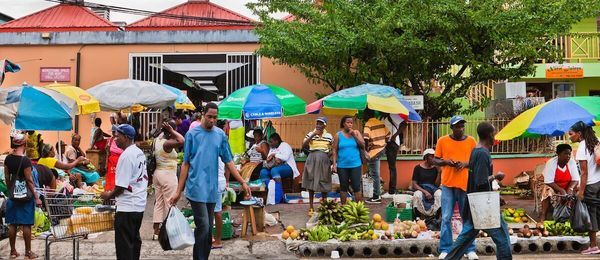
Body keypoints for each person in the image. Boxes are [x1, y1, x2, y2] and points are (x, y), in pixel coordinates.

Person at [169, 103, 251, 260]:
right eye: (209, 117)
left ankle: (202, 256)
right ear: (203, 115)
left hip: (212, 190)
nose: (212, 120)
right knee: (204, 225)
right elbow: (185, 164)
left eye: (215, 117)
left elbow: (228, 161)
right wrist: (178, 191)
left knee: (207, 229)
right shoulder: (192, 135)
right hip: (195, 188)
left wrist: (242, 181)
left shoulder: (220, 135)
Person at [444, 122, 511, 260]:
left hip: (476, 203)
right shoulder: (482, 153)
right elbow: (480, 182)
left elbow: (477, 179)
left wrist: (496, 197)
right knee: (503, 239)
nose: (495, 137)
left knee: (465, 239)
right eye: (494, 133)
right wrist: (496, 176)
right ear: (490, 135)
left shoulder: (476, 150)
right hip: (483, 206)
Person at [101, 124, 148, 260]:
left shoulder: (126, 156)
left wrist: (107, 196)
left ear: (126, 137)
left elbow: (121, 186)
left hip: (127, 206)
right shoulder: (138, 152)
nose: (115, 139)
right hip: (138, 205)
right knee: (133, 242)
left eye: (118, 135)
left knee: (124, 247)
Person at [434, 116, 478, 260]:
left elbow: (476, 160)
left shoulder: (471, 141)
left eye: (462, 126)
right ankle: (445, 248)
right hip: (447, 185)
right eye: (457, 126)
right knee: (446, 217)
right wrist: (446, 161)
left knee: (467, 219)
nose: (460, 128)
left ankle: (469, 249)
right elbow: (435, 159)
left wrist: (464, 164)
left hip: (465, 185)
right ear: (451, 127)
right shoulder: (442, 141)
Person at [5, 131, 42, 259]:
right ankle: (28, 252)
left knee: (12, 223)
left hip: (13, 195)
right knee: (26, 224)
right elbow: (29, 180)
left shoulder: (8, 158)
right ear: (24, 144)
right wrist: (36, 197)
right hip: (26, 196)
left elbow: (6, 178)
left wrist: (11, 191)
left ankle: (13, 251)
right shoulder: (25, 161)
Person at [569, 121, 600, 255]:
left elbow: (584, 172)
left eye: (571, 134)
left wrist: (581, 192)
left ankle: (593, 246)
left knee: (591, 215)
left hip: (590, 185)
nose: (569, 137)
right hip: (599, 182)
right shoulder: (596, 141)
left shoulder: (582, 148)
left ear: (579, 134)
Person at [151, 120, 184, 240]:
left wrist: (168, 130)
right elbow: (182, 141)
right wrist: (172, 130)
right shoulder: (167, 144)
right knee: (171, 203)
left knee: (159, 203)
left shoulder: (157, 140)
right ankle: (172, 232)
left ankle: (156, 231)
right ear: (170, 132)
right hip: (168, 175)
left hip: (157, 174)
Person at [538, 144, 579, 222]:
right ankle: (543, 216)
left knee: (579, 190)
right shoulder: (551, 163)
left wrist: (570, 189)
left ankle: (573, 216)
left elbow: (575, 179)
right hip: (553, 186)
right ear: (558, 154)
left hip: (567, 186)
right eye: (565, 153)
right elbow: (548, 181)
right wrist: (561, 190)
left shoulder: (572, 162)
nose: (568, 156)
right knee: (547, 190)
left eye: (569, 154)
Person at [301, 117, 333, 216]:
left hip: (324, 159)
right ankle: (311, 207)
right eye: (317, 123)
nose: (318, 125)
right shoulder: (311, 134)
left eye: (321, 123)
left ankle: (324, 206)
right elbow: (304, 145)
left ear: (325, 125)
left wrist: (328, 156)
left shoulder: (329, 136)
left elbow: (333, 148)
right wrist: (313, 135)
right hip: (312, 158)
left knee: (324, 181)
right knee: (310, 181)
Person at [332, 115, 365, 204]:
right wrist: (334, 164)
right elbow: (334, 150)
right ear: (343, 123)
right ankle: (343, 207)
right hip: (342, 165)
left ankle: (358, 209)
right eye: (348, 122)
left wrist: (354, 135)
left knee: (356, 187)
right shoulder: (338, 135)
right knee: (343, 187)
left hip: (355, 165)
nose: (350, 124)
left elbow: (362, 145)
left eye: (351, 123)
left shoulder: (356, 133)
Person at [260, 133, 301, 202]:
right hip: (274, 167)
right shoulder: (272, 148)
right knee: (263, 172)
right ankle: (270, 193)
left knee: (274, 171)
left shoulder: (285, 146)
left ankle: (279, 195)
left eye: (271, 142)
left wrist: (275, 154)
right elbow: (268, 157)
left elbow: (285, 157)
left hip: (288, 167)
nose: (270, 144)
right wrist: (271, 157)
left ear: (277, 141)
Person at [363, 109, 390, 204]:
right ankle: (377, 194)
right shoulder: (380, 123)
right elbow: (388, 135)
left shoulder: (368, 124)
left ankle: (376, 196)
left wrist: (366, 150)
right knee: (376, 173)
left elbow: (365, 138)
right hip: (382, 149)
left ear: (366, 115)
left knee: (375, 174)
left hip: (374, 151)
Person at [213, 120, 230, 249]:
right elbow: (228, 166)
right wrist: (227, 180)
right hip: (220, 181)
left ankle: (215, 239)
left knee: (212, 211)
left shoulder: (211, 144)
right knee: (217, 211)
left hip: (212, 182)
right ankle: (217, 240)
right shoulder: (223, 145)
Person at [412, 149, 442, 218]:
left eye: (434, 157)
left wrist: (439, 172)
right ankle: (418, 217)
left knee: (440, 195)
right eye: (431, 157)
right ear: (426, 157)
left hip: (433, 188)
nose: (434, 159)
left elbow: (437, 185)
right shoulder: (418, 168)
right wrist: (425, 192)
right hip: (421, 189)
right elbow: (414, 184)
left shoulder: (436, 168)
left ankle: (437, 218)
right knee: (417, 195)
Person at [382, 113, 404, 195]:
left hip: (393, 143)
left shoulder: (393, 115)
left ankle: (392, 191)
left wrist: (395, 135)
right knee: (390, 166)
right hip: (386, 143)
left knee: (392, 167)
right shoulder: (382, 117)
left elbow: (404, 124)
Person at [105, 126, 124, 192]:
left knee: (118, 177)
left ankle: (116, 192)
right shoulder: (110, 140)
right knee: (111, 176)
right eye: (113, 132)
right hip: (111, 162)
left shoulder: (121, 141)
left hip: (119, 161)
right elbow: (108, 152)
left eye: (115, 132)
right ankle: (109, 192)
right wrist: (106, 163)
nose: (113, 133)